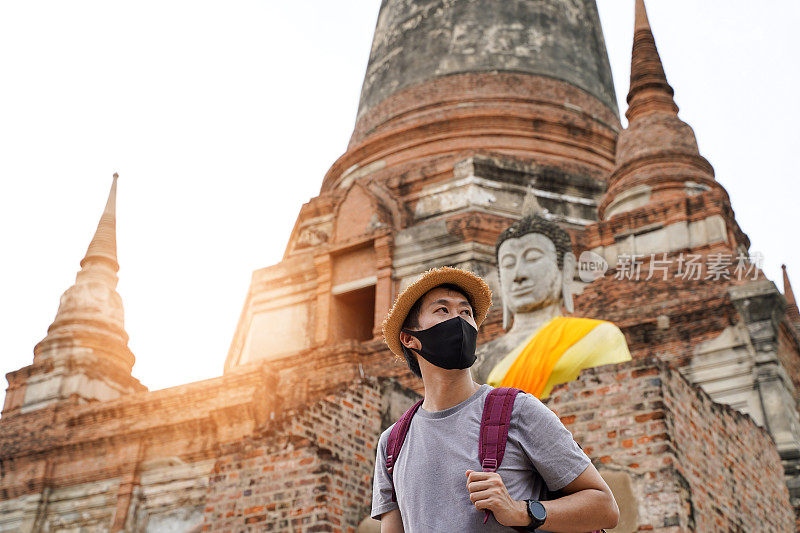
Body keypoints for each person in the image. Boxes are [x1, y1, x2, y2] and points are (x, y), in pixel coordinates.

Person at [371, 266, 619, 532]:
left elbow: (605, 508)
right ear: (410, 338)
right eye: (442, 310)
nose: (459, 320)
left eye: (466, 312)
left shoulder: (517, 410)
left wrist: (521, 511)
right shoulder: (392, 444)